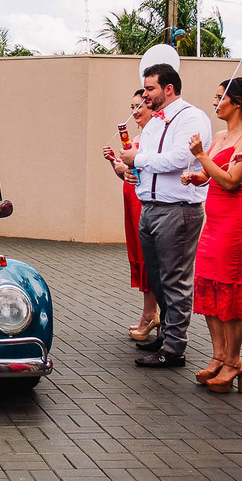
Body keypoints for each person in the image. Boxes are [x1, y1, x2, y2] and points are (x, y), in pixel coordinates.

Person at [119, 63, 212, 369]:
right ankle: (167, 333)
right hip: (150, 207)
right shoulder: (155, 123)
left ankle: (175, 348)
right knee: (157, 277)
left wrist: (140, 159)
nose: (145, 94)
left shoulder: (192, 117)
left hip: (179, 209)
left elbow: (179, 158)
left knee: (175, 278)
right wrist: (133, 172)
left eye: (150, 89)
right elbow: (144, 162)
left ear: (168, 89)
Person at [183, 77, 242, 392]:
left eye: (220, 98)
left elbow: (230, 181)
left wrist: (201, 157)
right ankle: (217, 356)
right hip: (212, 223)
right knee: (208, 288)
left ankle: (234, 361)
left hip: (234, 224)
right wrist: (196, 176)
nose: (216, 103)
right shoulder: (220, 135)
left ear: (237, 103)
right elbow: (212, 175)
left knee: (229, 292)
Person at [102, 89, 159, 340]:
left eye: (140, 106)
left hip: (143, 202)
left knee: (148, 258)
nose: (135, 112)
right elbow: (127, 173)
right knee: (138, 254)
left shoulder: (154, 138)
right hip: (131, 198)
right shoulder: (136, 138)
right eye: (132, 107)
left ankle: (151, 315)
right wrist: (114, 163)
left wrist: (127, 166)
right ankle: (149, 313)